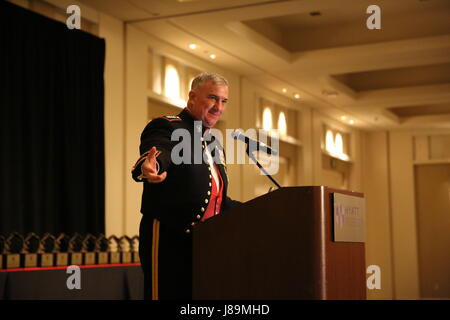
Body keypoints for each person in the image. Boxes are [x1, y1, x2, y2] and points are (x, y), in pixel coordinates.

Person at [131, 72, 241, 300]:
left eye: (224, 101)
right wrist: (152, 164)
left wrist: (260, 209)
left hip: (206, 246)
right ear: (192, 97)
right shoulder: (168, 125)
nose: (218, 107)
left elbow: (218, 200)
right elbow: (160, 149)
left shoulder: (213, 143)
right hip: (170, 241)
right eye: (212, 98)